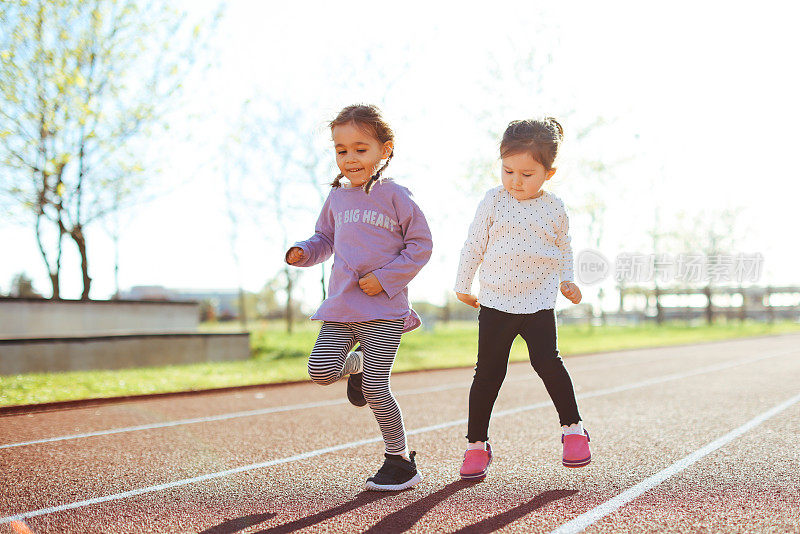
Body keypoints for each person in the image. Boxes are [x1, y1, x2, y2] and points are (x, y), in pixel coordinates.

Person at [286, 104, 432, 491]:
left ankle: (400, 461)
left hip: (384, 308)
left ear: (384, 150)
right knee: (320, 372)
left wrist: (384, 279)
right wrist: (305, 250)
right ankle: (356, 367)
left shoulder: (396, 195)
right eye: (341, 149)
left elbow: (421, 246)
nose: (350, 157)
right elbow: (325, 239)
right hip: (342, 305)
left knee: (376, 388)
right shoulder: (336, 197)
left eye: (360, 148)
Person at [454, 117, 589, 480]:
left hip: (539, 304)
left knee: (548, 364)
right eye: (508, 170)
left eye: (527, 174)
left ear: (549, 172)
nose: (515, 180)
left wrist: (568, 280)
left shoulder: (554, 207)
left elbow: (564, 247)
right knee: (488, 374)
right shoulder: (493, 201)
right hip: (496, 303)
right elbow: (474, 244)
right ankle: (476, 445)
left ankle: (573, 430)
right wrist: (463, 283)